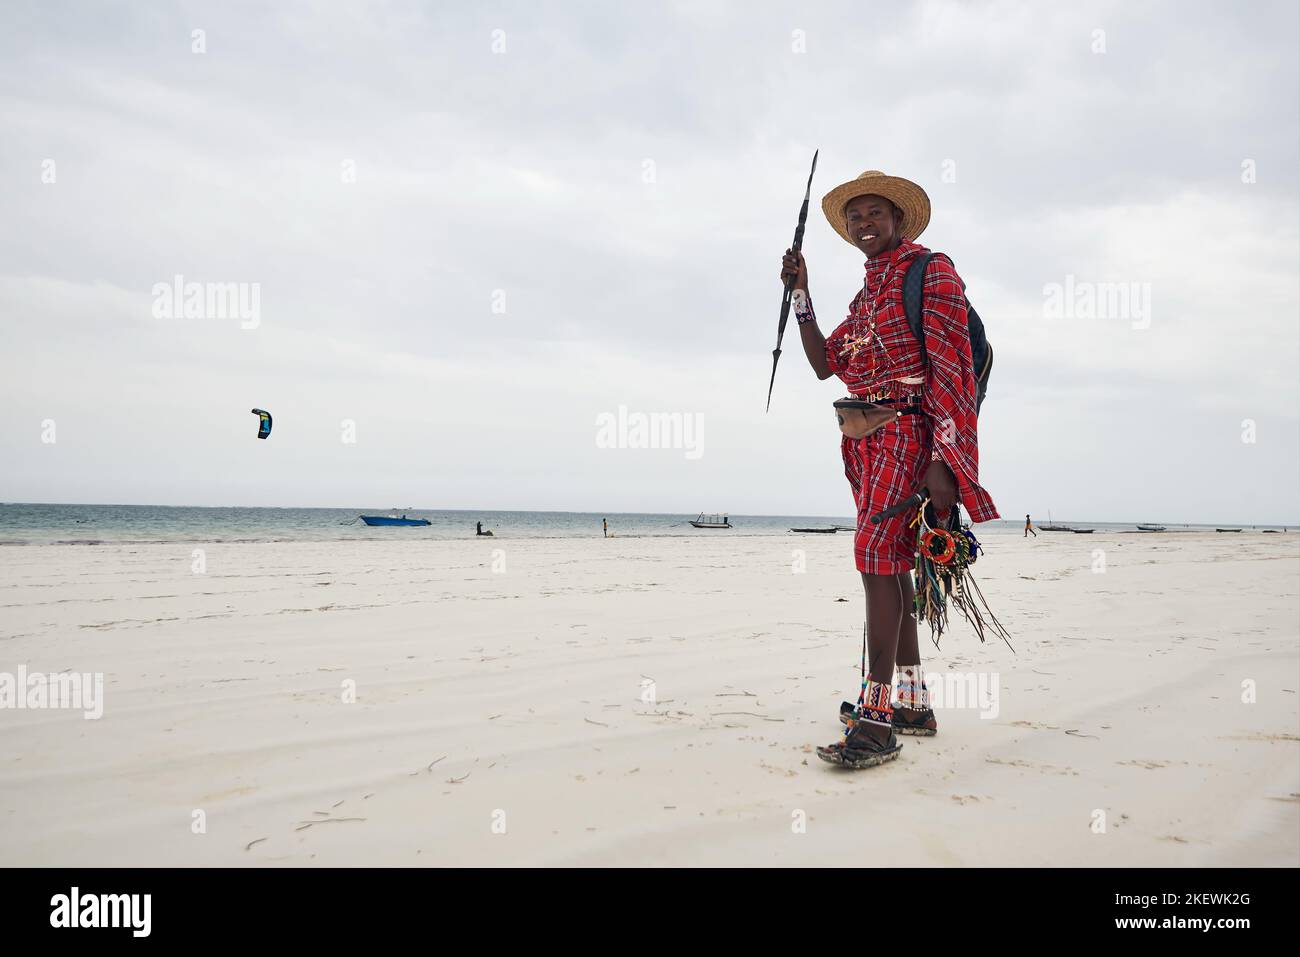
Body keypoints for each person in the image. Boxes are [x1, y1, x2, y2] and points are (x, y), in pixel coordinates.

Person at [780, 169, 998, 769]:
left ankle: (875, 723)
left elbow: (952, 370)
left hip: (908, 437)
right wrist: (801, 293)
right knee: (892, 565)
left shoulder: (932, 272)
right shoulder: (867, 293)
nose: (864, 224)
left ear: (898, 221)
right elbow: (827, 364)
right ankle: (912, 704)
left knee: (874, 560)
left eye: (875, 213)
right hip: (862, 443)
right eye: (855, 217)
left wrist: (944, 462)